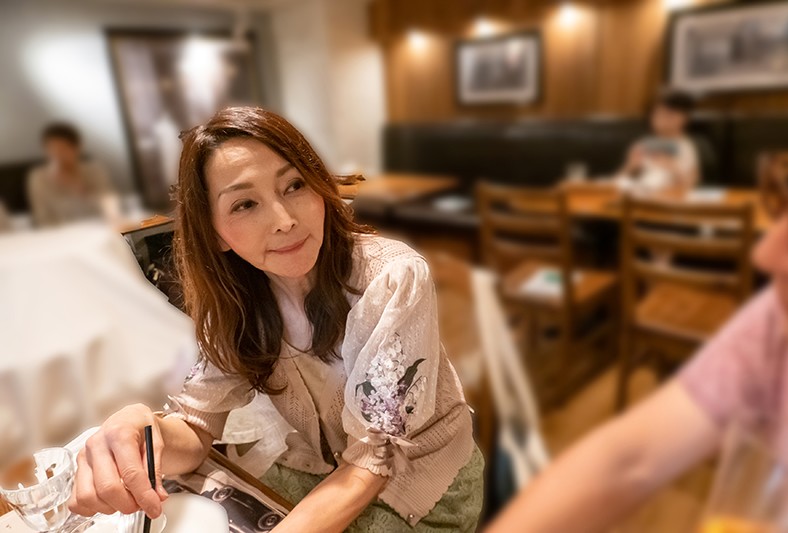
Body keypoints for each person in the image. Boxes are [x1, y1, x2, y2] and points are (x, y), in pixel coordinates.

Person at [67, 107, 484, 532]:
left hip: (418, 485)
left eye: (295, 185)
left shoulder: (390, 278)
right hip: (327, 469)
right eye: (245, 204)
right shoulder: (237, 300)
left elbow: (373, 458)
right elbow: (196, 427)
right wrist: (144, 432)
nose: (285, 221)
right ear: (215, 232)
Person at [485, 156, 788, 532]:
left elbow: (689, 181)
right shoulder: (775, 321)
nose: (764, 254)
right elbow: (628, 462)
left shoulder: (690, 150)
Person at [27, 122, 117, 227]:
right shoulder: (39, 178)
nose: (57, 154)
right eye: (51, 149)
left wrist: (77, 186)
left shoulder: (94, 170)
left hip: (98, 226)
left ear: (77, 148)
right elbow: (43, 218)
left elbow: (108, 203)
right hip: (62, 232)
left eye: (63, 148)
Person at [618, 91, 700, 192]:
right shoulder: (642, 144)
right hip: (639, 192)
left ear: (684, 119)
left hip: (668, 195)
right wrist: (631, 166)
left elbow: (691, 184)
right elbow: (620, 180)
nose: (662, 119)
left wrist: (673, 168)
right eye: (657, 114)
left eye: (669, 115)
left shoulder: (685, 146)